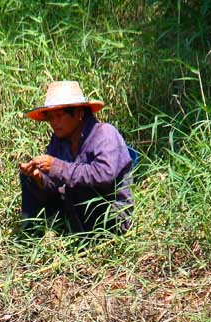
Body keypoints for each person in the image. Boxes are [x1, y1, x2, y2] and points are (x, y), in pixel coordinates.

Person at [19, 81, 134, 237]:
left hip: (111, 215)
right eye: (51, 118)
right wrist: (39, 178)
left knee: (78, 184)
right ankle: (30, 236)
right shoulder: (59, 141)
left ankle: (80, 237)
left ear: (79, 113)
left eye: (59, 116)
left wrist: (56, 166)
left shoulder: (104, 134)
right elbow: (55, 184)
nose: (54, 123)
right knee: (28, 178)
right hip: (75, 210)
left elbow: (104, 174)